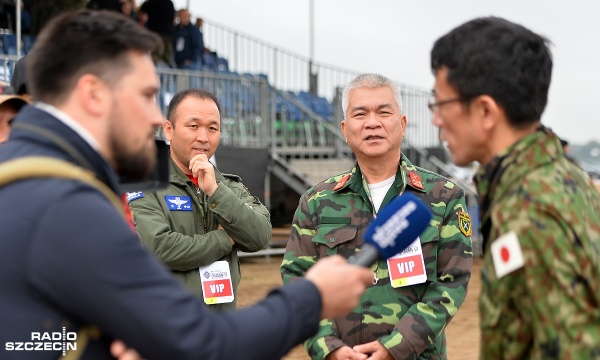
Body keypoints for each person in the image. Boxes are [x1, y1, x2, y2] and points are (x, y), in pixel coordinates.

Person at [0, 9, 374, 360]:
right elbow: (202, 343)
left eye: (212, 127)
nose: (153, 117)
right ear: (93, 93)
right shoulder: (66, 204)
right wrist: (313, 297)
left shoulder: (28, 176)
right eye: (146, 96)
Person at [429, 16, 600, 358]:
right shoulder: (564, 180)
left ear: (485, 111)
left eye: (440, 103)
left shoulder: (530, 213)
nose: (436, 119)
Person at [281, 73, 473, 360]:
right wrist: (328, 349)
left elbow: (452, 282)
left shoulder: (443, 197)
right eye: (360, 114)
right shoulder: (316, 202)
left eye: (384, 112)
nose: (373, 122)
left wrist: (395, 347)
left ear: (402, 124)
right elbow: (297, 280)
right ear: (345, 129)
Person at [128, 88, 270, 310]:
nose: (203, 137)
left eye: (213, 128)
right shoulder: (145, 184)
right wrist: (225, 240)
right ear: (169, 130)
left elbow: (260, 235)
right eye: (193, 126)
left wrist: (215, 191)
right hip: (165, 325)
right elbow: (160, 248)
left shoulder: (228, 186)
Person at [139, 0, 176, 67]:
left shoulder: (150, 3)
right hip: (166, 34)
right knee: (166, 56)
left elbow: (141, 15)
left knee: (157, 56)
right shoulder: (169, 3)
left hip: (156, 34)